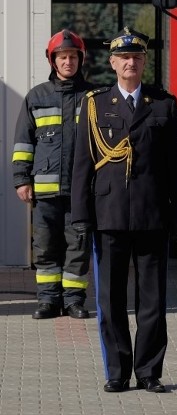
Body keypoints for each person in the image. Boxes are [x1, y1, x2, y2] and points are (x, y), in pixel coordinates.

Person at [71, 27, 177, 393]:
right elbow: (81, 166)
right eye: (124, 58)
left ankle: (149, 371)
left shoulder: (164, 104)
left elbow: (175, 167)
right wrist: (80, 216)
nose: (130, 63)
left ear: (144, 62)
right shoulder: (94, 104)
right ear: (112, 63)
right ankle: (117, 372)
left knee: (153, 299)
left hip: (152, 215)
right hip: (109, 215)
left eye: (137, 57)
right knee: (111, 299)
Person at [12, 29, 94, 320]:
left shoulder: (92, 97)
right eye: (62, 57)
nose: (68, 62)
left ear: (80, 59)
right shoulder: (36, 97)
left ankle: (73, 301)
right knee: (45, 247)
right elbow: (23, 142)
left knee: (78, 247)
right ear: (53, 61)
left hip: (81, 191)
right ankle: (48, 301)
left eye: (72, 56)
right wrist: (22, 180)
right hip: (44, 192)